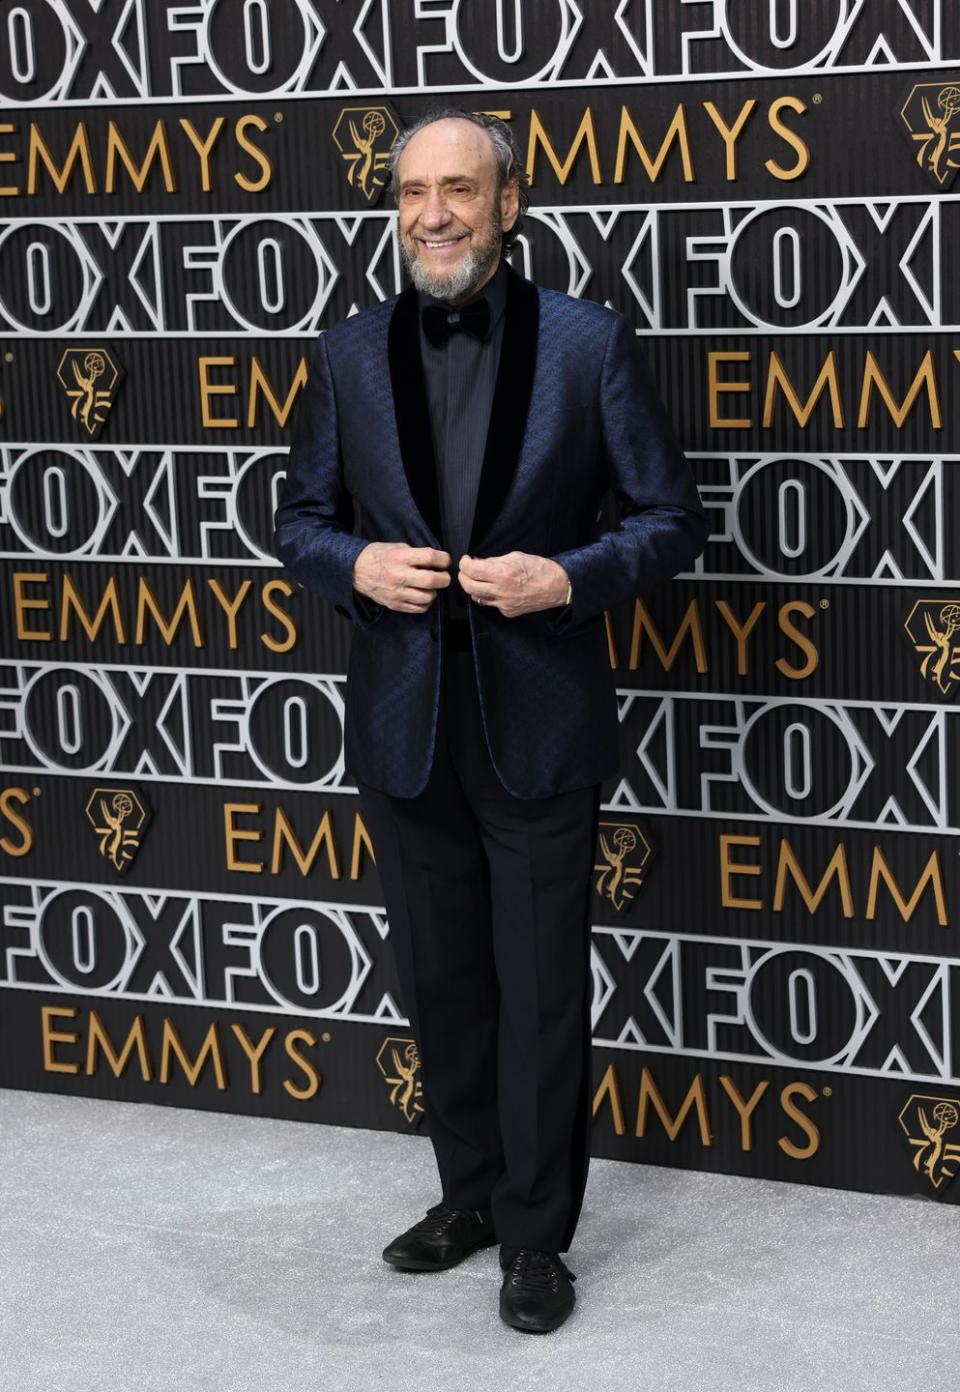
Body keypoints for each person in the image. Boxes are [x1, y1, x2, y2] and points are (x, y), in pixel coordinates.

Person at [273, 107, 709, 1334]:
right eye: (412, 193)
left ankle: (534, 1236)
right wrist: (353, 565)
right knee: (443, 981)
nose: (433, 214)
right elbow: (299, 515)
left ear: (507, 205)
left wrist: (563, 577)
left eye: (458, 189)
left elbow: (669, 520)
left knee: (538, 990)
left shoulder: (587, 342)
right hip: (405, 717)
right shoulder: (349, 352)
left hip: (538, 714)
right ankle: (466, 1195)